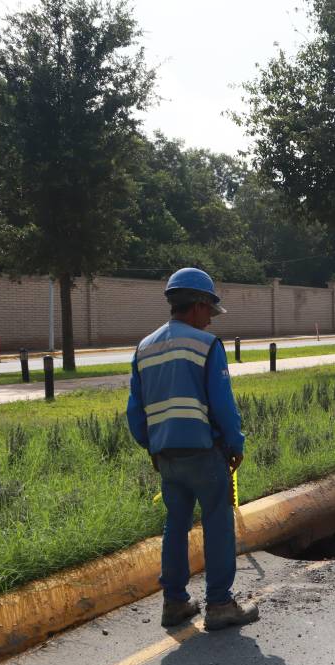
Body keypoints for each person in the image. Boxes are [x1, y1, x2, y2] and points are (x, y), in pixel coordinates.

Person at [126, 267, 259, 632]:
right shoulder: (206, 346)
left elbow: (135, 413)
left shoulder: (145, 348)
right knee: (217, 523)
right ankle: (218, 604)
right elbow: (223, 406)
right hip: (204, 454)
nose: (209, 322)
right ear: (199, 305)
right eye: (209, 313)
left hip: (167, 457)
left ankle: (175, 602)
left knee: (176, 525)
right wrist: (235, 444)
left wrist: (153, 447)